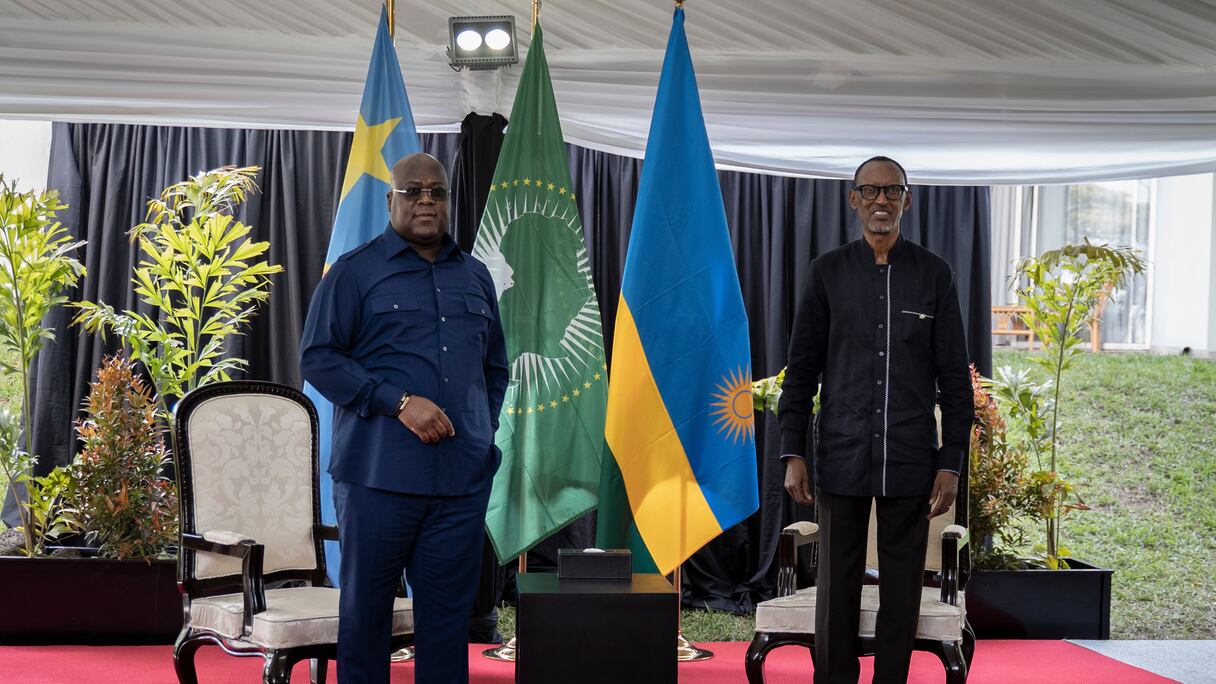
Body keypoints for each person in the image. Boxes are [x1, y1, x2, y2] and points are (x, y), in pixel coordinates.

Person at [300, 152, 508, 684]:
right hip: (377, 482)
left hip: (459, 485)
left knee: (447, 624)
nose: (426, 201)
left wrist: (479, 432)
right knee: (366, 618)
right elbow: (319, 359)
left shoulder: (476, 276)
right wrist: (396, 402)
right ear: (391, 199)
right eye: (413, 191)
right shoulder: (354, 272)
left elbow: (494, 368)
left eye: (437, 192)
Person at [777, 156, 971, 683]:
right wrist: (793, 451)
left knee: (902, 589)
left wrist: (950, 461)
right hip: (842, 454)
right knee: (836, 589)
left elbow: (955, 379)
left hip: (909, 458)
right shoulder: (827, 273)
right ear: (853, 199)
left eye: (891, 191)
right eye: (870, 191)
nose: (880, 200)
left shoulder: (934, 275)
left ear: (907, 199)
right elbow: (801, 371)